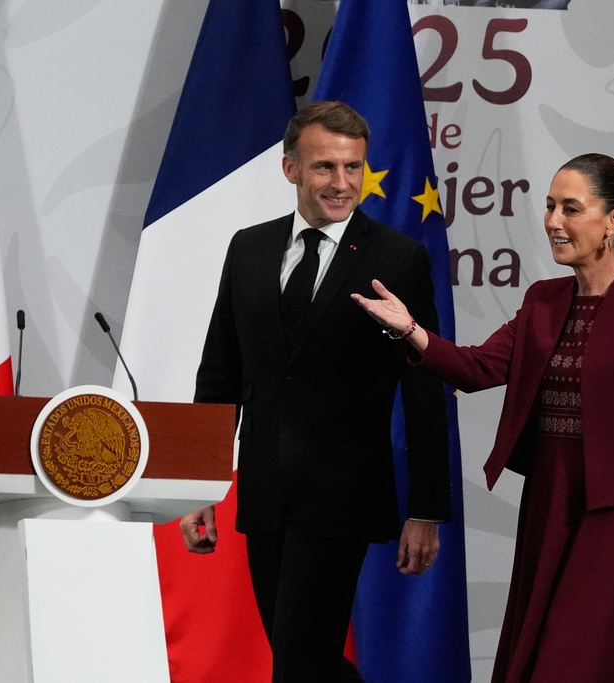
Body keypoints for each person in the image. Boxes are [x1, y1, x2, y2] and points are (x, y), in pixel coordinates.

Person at [353, 153, 614, 682]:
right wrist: (411, 331)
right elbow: (475, 368)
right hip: (550, 506)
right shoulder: (543, 300)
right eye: (550, 206)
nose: (554, 221)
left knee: (578, 664)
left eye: (571, 209)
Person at [179, 101, 452, 683]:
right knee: (304, 658)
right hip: (264, 493)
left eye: (353, 167)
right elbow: (220, 374)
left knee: (300, 660)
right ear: (291, 169)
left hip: (343, 498)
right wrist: (197, 485)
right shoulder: (248, 249)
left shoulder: (397, 258)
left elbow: (424, 388)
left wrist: (426, 508)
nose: (342, 183)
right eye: (326, 166)